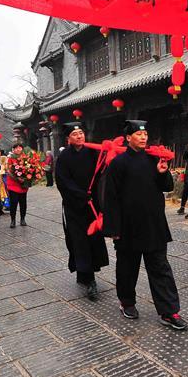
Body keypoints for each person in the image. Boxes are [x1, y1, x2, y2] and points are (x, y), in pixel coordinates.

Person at [102, 120, 187, 330]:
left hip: (154, 225)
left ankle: (169, 311)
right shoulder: (118, 163)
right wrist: (113, 229)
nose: (143, 137)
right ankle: (127, 302)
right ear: (128, 138)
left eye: (146, 134)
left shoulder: (153, 159)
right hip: (128, 227)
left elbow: (166, 187)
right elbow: (110, 197)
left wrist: (162, 171)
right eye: (139, 135)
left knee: (160, 268)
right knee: (127, 269)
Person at [55, 122, 109, 300]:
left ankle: (88, 272)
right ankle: (89, 279)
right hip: (74, 207)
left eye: (81, 133)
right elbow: (63, 182)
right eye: (75, 134)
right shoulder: (64, 157)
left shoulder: (92, 152)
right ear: (68, 138)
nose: (79, 136)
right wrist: (80, 195)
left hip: (93, 204)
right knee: (79, 242)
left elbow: (102, 171)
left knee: (93, 240)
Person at [5, 143, 30, 228]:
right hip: (13, 184)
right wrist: (17, 178)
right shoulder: (10, 159)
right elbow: (9, 171)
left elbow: (30, 169)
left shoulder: (26, 158)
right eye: (16, 148)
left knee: (23, 203)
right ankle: (13, 220)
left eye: (20, 148)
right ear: (13, 150)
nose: (18, 149)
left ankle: (23, 219)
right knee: (14, 203)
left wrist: (26, 179)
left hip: (23, 184)